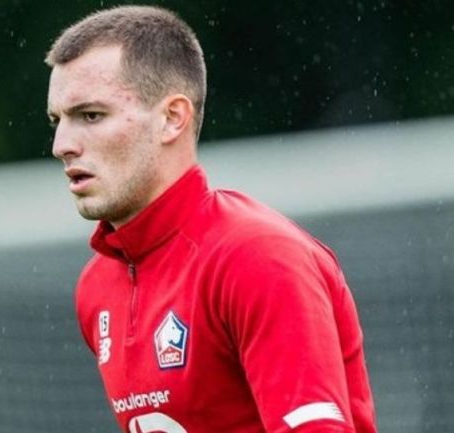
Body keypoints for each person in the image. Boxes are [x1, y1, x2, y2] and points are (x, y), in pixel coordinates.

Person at [45, 6, 377, 433]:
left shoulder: (258, 258)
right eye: (58, 120)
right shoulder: (97, 288)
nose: (62, 145)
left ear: (172, 118)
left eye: (91, 115)